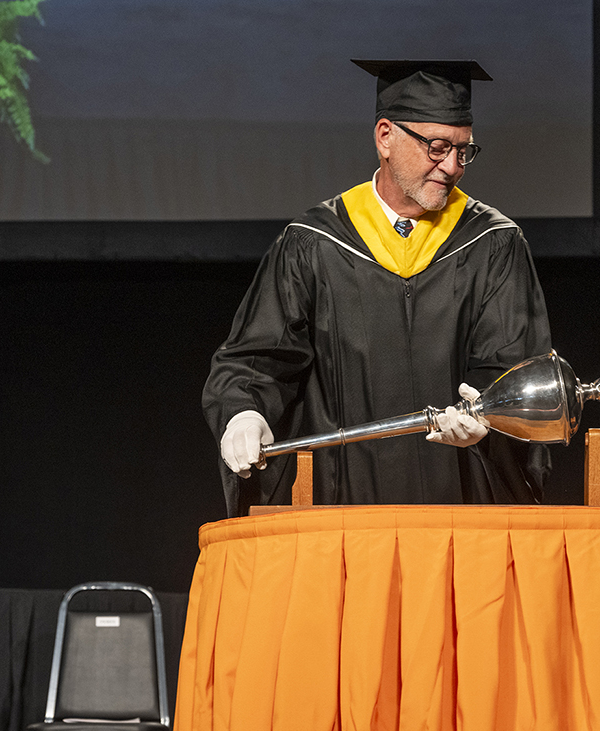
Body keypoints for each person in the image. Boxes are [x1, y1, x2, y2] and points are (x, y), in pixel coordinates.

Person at [203, 59, 552, 516]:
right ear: (385, 136)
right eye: (437, 147)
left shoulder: (493, 243)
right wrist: (243, 413)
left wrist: (489, 417)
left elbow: (512, 364)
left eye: (464, 151)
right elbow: (257, 358)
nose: (452, 166)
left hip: (458, 505)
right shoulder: (316, 242)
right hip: (340, 507)